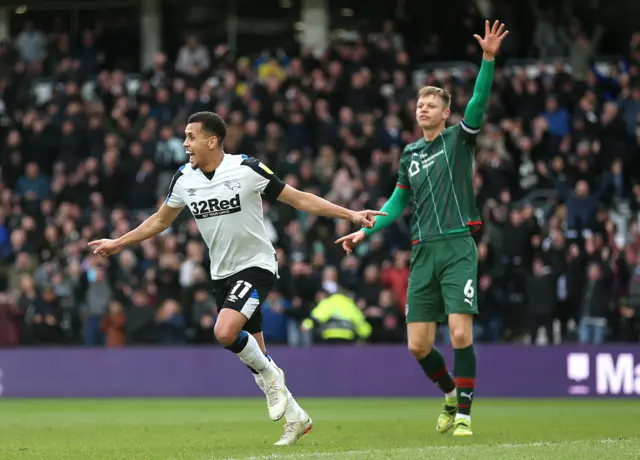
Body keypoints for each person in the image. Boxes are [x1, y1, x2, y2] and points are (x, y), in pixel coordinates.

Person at [89, 111, 385, 446]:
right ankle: (297, 417)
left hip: (256, 266)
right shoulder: (184, 178)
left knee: (224, 331)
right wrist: (118, 242)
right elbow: (160, 221)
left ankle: (275, 379)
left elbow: (299, 198)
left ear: (212, 140)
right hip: (222, 275)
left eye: (191, 136)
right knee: (258, 359)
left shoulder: (246, 168)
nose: (185, 144)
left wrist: (350, 215)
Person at [336, 20, 509, 437]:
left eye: (431, 105)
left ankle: (464, 413)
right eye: (419, 105)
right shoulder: (410, 154)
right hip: (422, 251)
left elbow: (479, 104)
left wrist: (487, 59)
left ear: (445, 112)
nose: (423, 109)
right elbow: (398, 202)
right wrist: (367, 230)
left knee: (460, 332)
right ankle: (449, 393)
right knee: (418, 345)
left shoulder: (458, 139)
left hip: (457, 247)